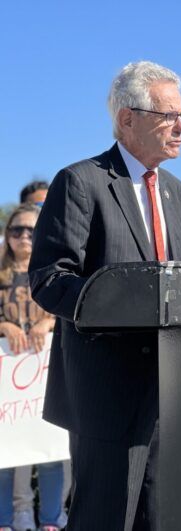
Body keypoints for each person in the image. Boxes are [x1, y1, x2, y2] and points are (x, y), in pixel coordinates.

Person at [28, 61, 181, 530]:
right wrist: (127, 302)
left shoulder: (180, 194)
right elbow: (49, 278)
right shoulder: (81, 182)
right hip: (105, 394)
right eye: (168, 115)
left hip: (172, 393)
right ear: (128, 119)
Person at [0, 204, 64, 531]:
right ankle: (4, 521)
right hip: (6, 378)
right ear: (7, 235)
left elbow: (68, 307)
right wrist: (4, 326)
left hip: (44, 372)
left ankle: (51, 520)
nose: (24, 236)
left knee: (49, 448)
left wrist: (48, 322)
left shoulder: (50, 268)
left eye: (31, 230)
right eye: (16, 230)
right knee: (4, 453)